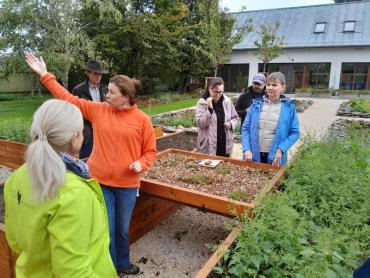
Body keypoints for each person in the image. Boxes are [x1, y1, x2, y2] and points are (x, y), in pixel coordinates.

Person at [25, 53, 157, 276]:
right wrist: (45, 75)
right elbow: (69, 99)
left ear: (125, 97)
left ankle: (123, 263)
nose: (106, 94)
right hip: (101, 182)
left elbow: (150, 151)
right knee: (107, 228)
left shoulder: (142, 120)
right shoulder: (99, 111)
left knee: (122, 230)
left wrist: (141, 164)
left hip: (127, 185)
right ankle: (112, 268)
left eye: (111, 92)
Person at [4, 99, 116, 277]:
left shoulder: (18, 176)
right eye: (81, 131)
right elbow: (74, 272)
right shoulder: (73, 193)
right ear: (74, 138)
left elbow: (14, 240)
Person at [241, 72, 300, 166]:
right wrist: (246, 149)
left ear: (282, 87)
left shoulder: (289, 108)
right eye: (268, 84)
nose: (270, 87)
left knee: (272, 179)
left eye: (274, 85)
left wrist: (281, 149)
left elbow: (295, 132)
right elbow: (245, 129)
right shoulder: (256, 104)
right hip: (252, 154)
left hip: (275, 156)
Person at [72, 59, 108, 159]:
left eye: (100, 74)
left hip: (103, 128)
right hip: (87, 131)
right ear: (87, 73)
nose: (99, 77)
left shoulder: (105, 89)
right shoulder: (78, 90)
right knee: (87, 159)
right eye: (96, 74)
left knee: (102, 157)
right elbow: (75, 113)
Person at [195, 77, 238, 157]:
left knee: (224, 166)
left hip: (225, 144)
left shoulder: (227, 101)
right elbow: (200, 123)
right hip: (209, 145)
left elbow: (235, 117)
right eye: (215, 92)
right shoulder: (202, 103)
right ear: (209, 89)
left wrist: (231, 124)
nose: (218, 95)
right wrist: (210, 109)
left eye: (220, 92)